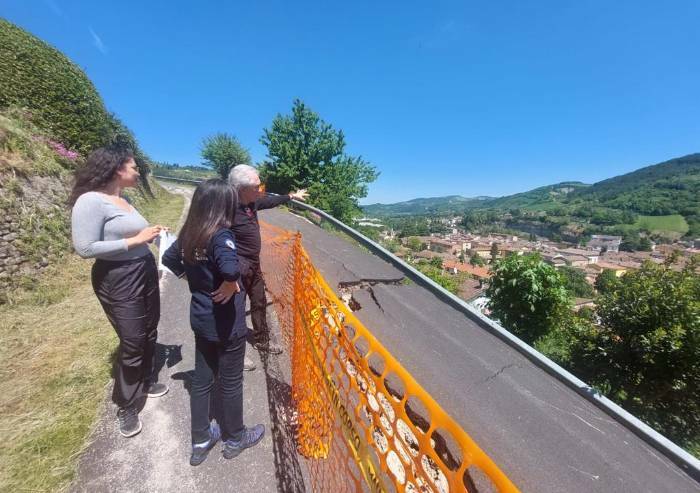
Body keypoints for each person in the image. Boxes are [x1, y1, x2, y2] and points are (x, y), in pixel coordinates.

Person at [162, 179, 265, 466]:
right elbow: (230, 268)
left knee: (202, 380)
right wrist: (231, 283)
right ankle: (236, 437)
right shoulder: (221, 235)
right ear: (224, 205)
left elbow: (169, 259)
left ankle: (201, 439)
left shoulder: (190, 233)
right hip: (227, 322)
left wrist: (194, 281)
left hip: (201, 318)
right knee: (231, 382)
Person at [70, 147, 168, 438]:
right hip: (118, 277)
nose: (138, 172)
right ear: (117, 169)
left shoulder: (125, 200)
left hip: (144, 270)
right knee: (133, 339)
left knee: (149, 329)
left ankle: (145, 381)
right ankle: (126, 404)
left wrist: (151, 233)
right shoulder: (91, 200)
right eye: (134, 167)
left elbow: (133, 234)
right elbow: (85, 248)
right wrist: (135, 240)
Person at [227, 164, 308, 355]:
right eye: (256, 187)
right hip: (236, 267)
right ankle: (234, 351)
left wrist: (291, 196)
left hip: (253, 265)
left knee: (259, 301)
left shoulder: (251, 203)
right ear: (241, 189)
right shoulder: (227, 209)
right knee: (235, 309)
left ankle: (262, 342)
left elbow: (269, 202)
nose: (260, 190)